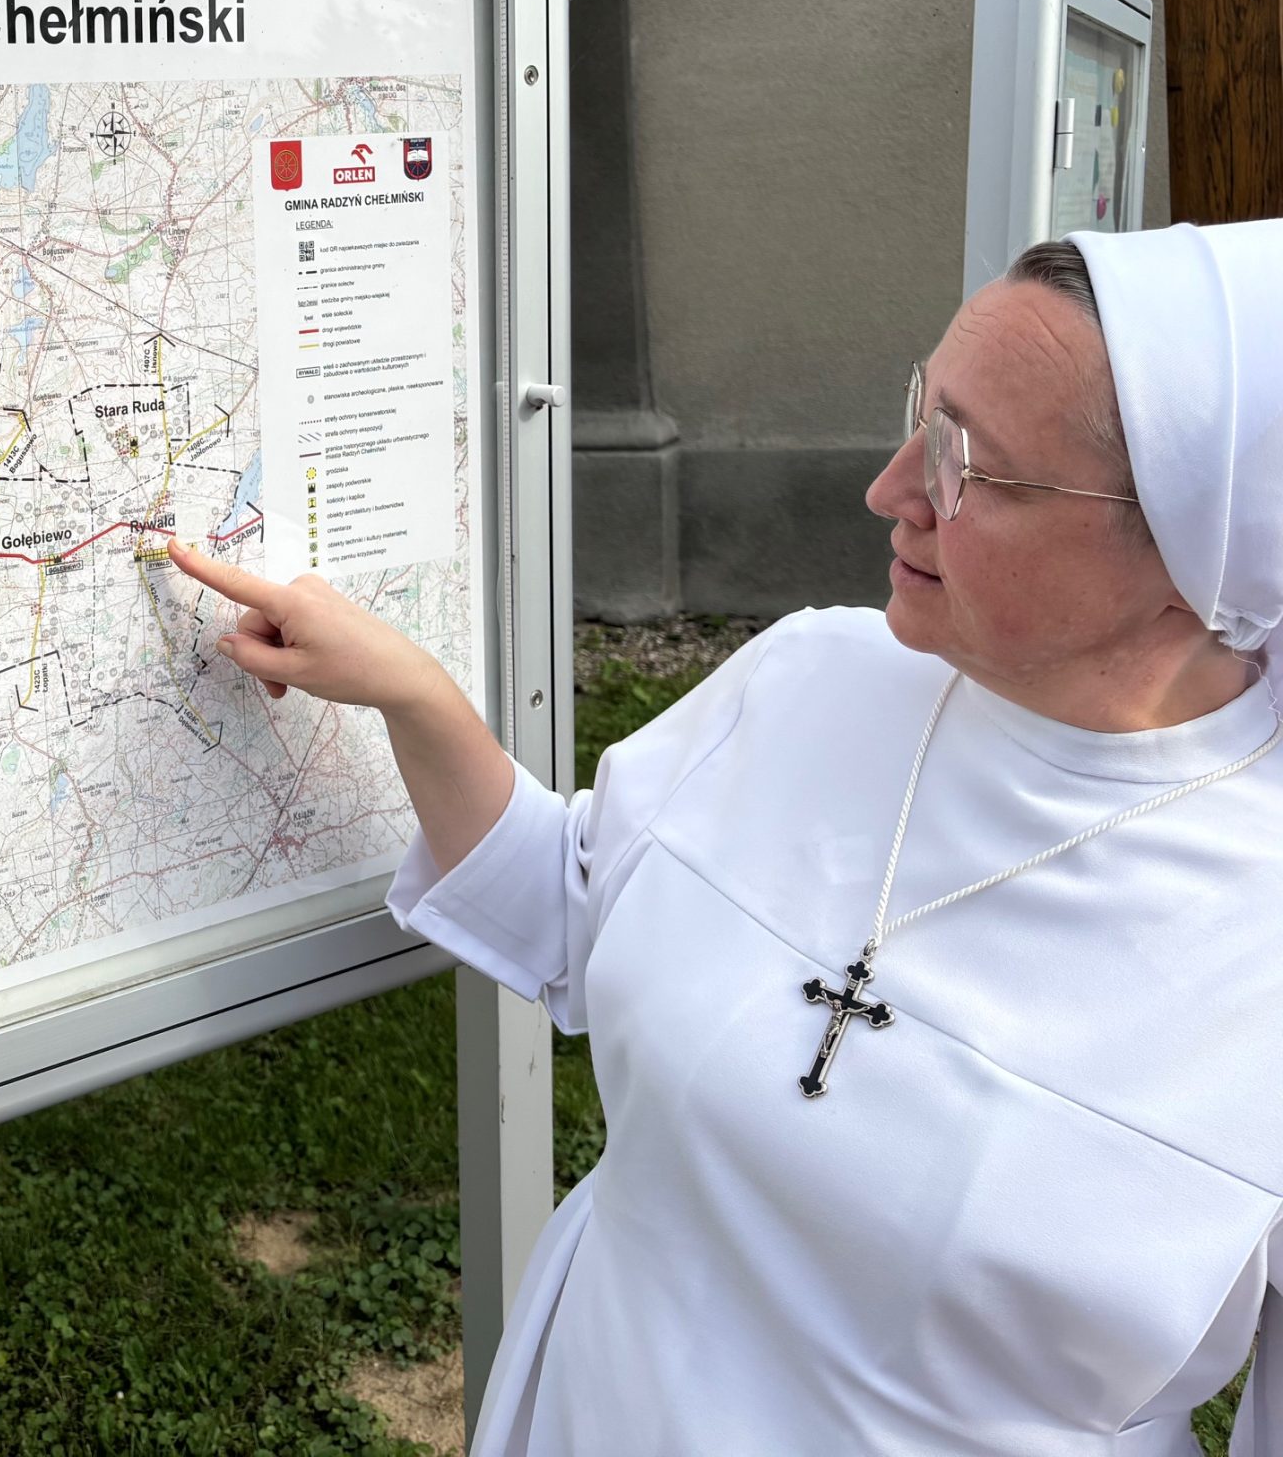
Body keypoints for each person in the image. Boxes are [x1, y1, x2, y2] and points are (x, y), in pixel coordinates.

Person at [170, 221, 1283, 1455]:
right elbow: (578, 913)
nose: (890, 489)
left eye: (965, 463)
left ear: (1194, 547)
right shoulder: (811, 677)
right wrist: (414, 696)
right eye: (920, 412)